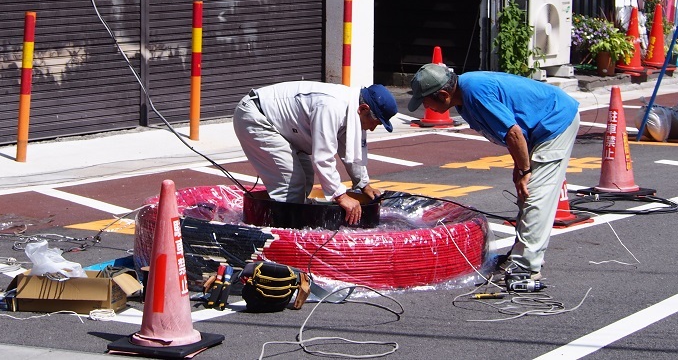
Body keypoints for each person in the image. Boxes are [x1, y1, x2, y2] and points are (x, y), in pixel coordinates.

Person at [408, 64, 580, 282]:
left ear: (443, 94)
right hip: (538, 127)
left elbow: (513, 132)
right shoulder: (463, 97)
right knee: (526, 193)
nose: (425, 106)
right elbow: (513, 131)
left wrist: (525, 170)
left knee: (535, 194)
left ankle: (525, 267)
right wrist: (520, 166)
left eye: (426, 100)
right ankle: (521, 257)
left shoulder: (475, 93)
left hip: (554, 122)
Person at [233, 81, 398, 225]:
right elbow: (323, 157)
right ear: (363, 108)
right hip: (256, 117)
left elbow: (349, 147)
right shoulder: (331, 106)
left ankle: (291, 221)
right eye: (375, 122)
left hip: (279, 125)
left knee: (305, 176)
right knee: (290, 183)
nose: (372, 128)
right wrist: (340, 196)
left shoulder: (352, 109)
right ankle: (281, 237)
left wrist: (363, 184)